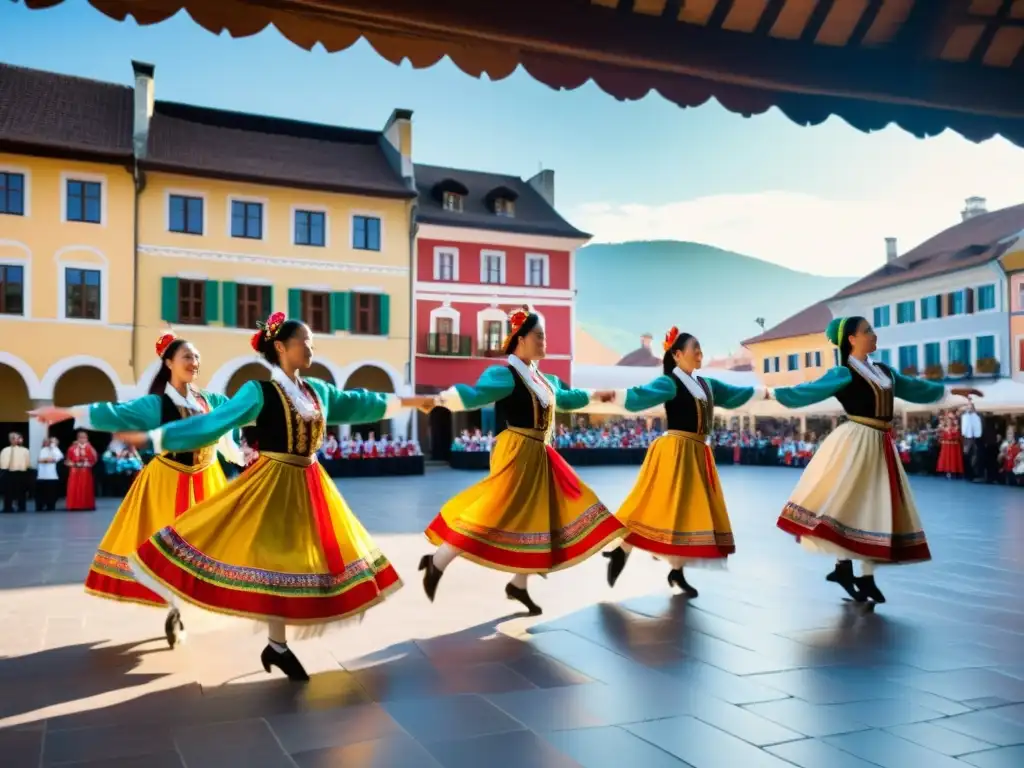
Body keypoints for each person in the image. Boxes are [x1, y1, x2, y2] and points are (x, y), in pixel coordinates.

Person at [129, 313, 436, 681]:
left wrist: (414, 400)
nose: (311, 347)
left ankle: (276, 645)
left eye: (311, 341)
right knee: (271, 560)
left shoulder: (317, 391)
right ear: (280, 347)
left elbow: (360, 402)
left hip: (310, 482)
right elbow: (213, 422)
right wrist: (158, 439)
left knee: (305, 561)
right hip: (271, 483)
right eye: (304, 340)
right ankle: (267, 640)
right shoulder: (258, 391)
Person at [30, 333, 245, 648]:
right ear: (169, 362)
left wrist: (245, 454)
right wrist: (71, 412)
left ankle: (183, 601)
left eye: (196, 357)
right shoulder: (155, 405)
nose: (194, 362)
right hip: (168, 480)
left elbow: (234, 425)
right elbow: (114, 413)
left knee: (206, 547)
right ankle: (175, 608)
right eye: (187, 356)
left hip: (207, 478)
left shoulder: (212, 401)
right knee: (169, 548)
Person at [419, 305, 625, 615]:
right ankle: (437, 561)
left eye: (544, 336)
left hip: (541, 453)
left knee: (541, 520)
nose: (545, 342)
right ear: (521, 339)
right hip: (517, 450)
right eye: (539, 336)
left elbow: (566, 399)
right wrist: (440, 399)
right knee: (493, 513)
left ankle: (519, 584)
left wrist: (597, 395)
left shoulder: (542, 378)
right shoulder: (506, 373)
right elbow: (476, 394)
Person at [772, 316, 981, 604]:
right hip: (856, 440)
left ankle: (859, 573)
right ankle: (850, 570)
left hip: (880, 442)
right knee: (850, 502)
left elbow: (915, 388)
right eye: (867, 330)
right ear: (852, 339)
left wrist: (954, 391)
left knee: (875, 505)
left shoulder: (883, 371)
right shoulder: (844, 372)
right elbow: (809, 391)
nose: (874, 334)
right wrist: (771, 393)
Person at [601, 328, 764, 597]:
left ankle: (675, 569)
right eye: (694, 348)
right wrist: (615, 395)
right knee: (657, 505)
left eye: (701, 348)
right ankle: (623, 550)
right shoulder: (670, 382)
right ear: (677, 355)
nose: (700, 353)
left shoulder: (705, 384)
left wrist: (767, 393)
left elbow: (737, 393)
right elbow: (643, 393)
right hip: (675, 450)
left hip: (697, 452)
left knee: (686, 510)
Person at [64, 432, 98, 511]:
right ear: (78, 438)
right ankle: (73, 505)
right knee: (74, 488)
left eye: (84, 438)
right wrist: (74, 464)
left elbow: (94, 459)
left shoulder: (90, 448)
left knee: (85, 487)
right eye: (81, 437)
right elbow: (68, 460)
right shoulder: (72, 448)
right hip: (75, 471)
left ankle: (87, 505)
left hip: (85, 471)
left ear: (87, 438)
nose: (82, 439)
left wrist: (87, 463)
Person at [1, 433, 31, 513]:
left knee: (21, 491)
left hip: (21, 472)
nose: (14, 440)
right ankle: (8, 507)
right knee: (8, 492)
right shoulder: (5, 450)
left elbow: (28, 462)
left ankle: (21, 507)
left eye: (16, 438)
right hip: (9, 472)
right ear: (10, 440)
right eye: (12, 438)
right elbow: (3, 463)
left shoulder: (25, 450)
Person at [36, 437, 63, 512]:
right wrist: (46, 460)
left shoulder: (55, 450)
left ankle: (50, 506)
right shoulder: (42, 450)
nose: (47, 443)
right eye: (45, 442)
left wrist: (53, 447)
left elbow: (57, 458)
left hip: (51, 476)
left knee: (51, 493)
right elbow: (39, 460)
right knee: (40, 493)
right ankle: (40, 507)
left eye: (49, 442)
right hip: (41, 475)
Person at [935, 412, 964, 478]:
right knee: (947, 459)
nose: (949, 422)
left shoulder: (956, 428)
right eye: (948, 421)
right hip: (946, 447)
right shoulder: (944, 429)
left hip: (954, 447)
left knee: (953, 458)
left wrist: (950, 435)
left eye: (950, 420)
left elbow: (958, 437)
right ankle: (947, 471)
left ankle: (955, 471)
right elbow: (941, 437)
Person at [961, 402, 984, 481]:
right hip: (967, 439)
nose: (969, 409)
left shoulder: (978, 416)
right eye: (968, 407)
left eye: (971, 407)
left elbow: (979, 427)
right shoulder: (964, 416)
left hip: (976, 439)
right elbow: (964, 428)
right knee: (966, 456)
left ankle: (976, 474)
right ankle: (968, 474)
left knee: (975, 457)